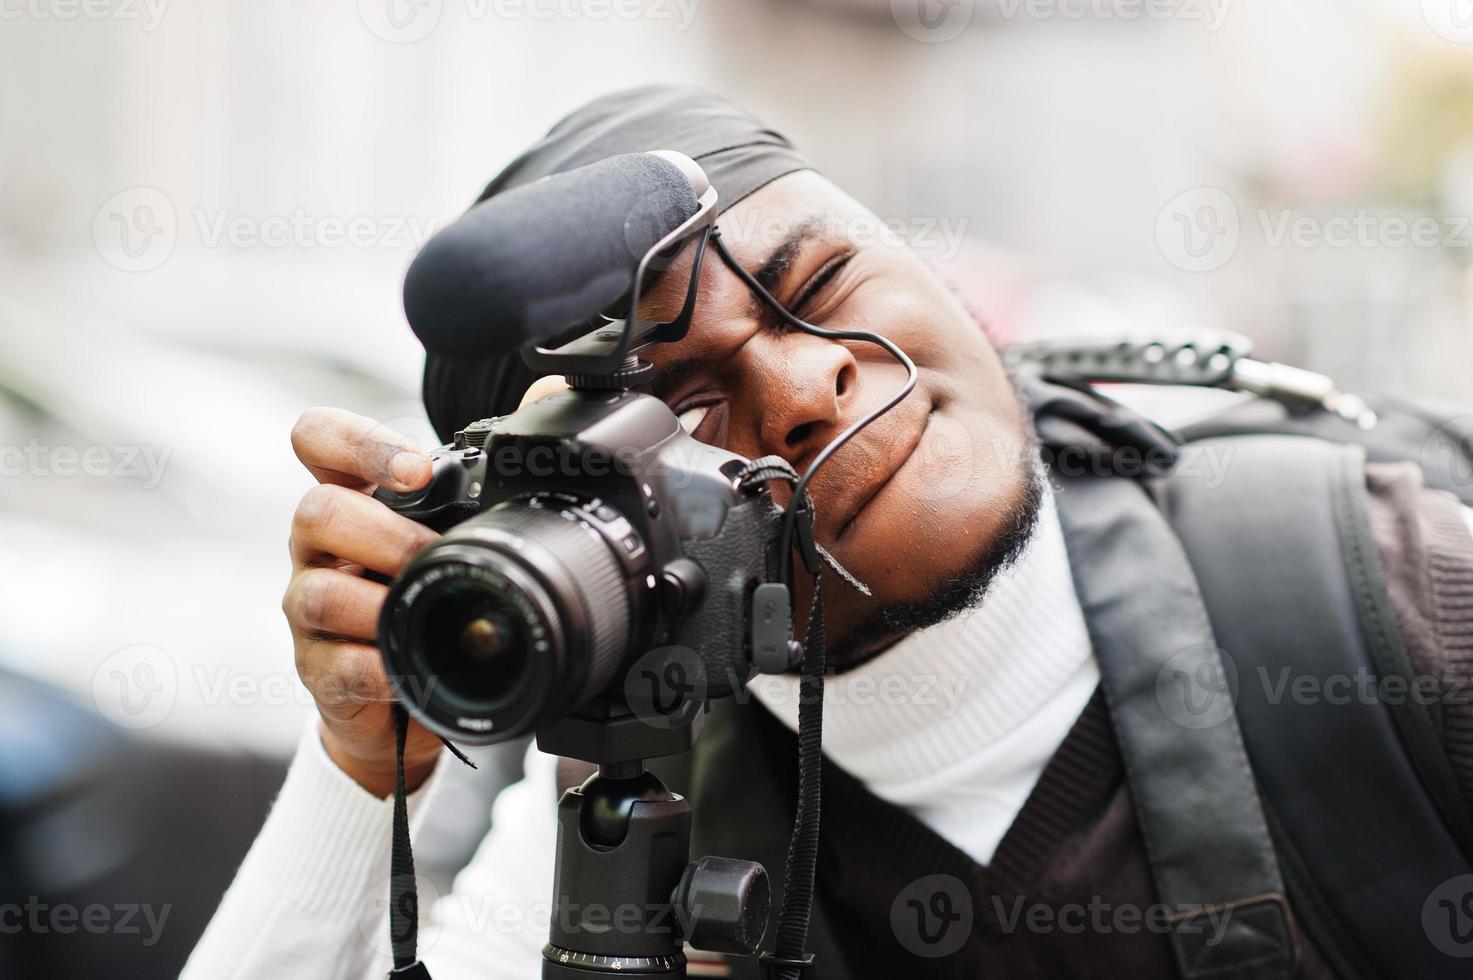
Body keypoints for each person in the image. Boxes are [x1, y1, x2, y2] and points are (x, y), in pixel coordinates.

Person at [182, 87, 1473, 979]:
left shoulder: (1399, 612)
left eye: (817, 286)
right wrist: (359, 773)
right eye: (684, 404)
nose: (802, 390)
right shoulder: (630, 827)